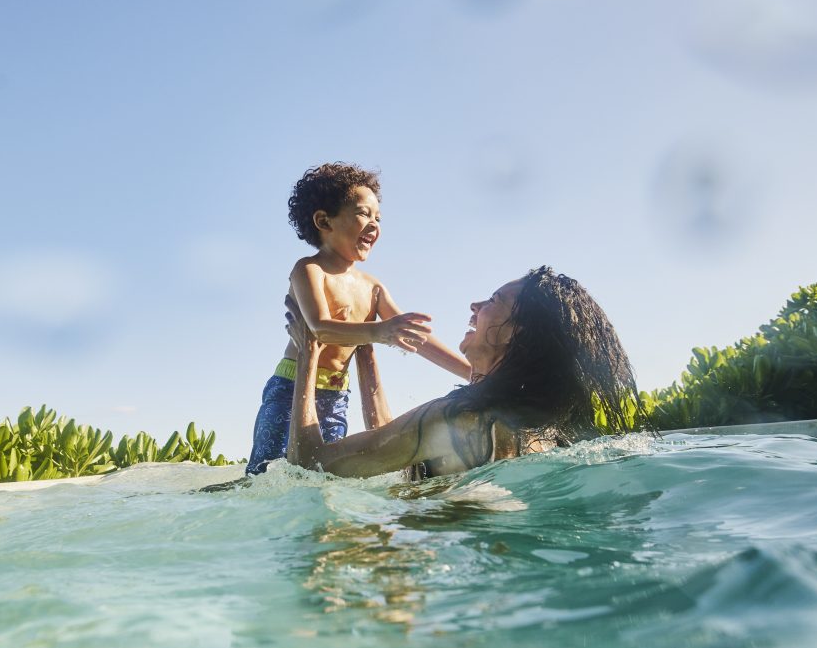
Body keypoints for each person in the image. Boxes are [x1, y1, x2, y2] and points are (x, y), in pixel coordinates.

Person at [285, 266, 651, 478]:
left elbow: (309, 464)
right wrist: (365, 348)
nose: (474, 305)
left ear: (515, 333)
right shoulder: (543, 431)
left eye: (493, 300)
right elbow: (392, 445)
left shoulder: (458, 416)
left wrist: (309, 351)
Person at [244, 163, 471, 475]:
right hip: (291, 387)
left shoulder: (373, 287)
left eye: (378, 218)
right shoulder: (309, 270)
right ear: (324, 221)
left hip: (337, 395)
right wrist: (380, 331)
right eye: (364, 214)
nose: (374, 224)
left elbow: (416, 338)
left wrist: (471, 373)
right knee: (265, 474)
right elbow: (318, 327)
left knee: (322, 474)